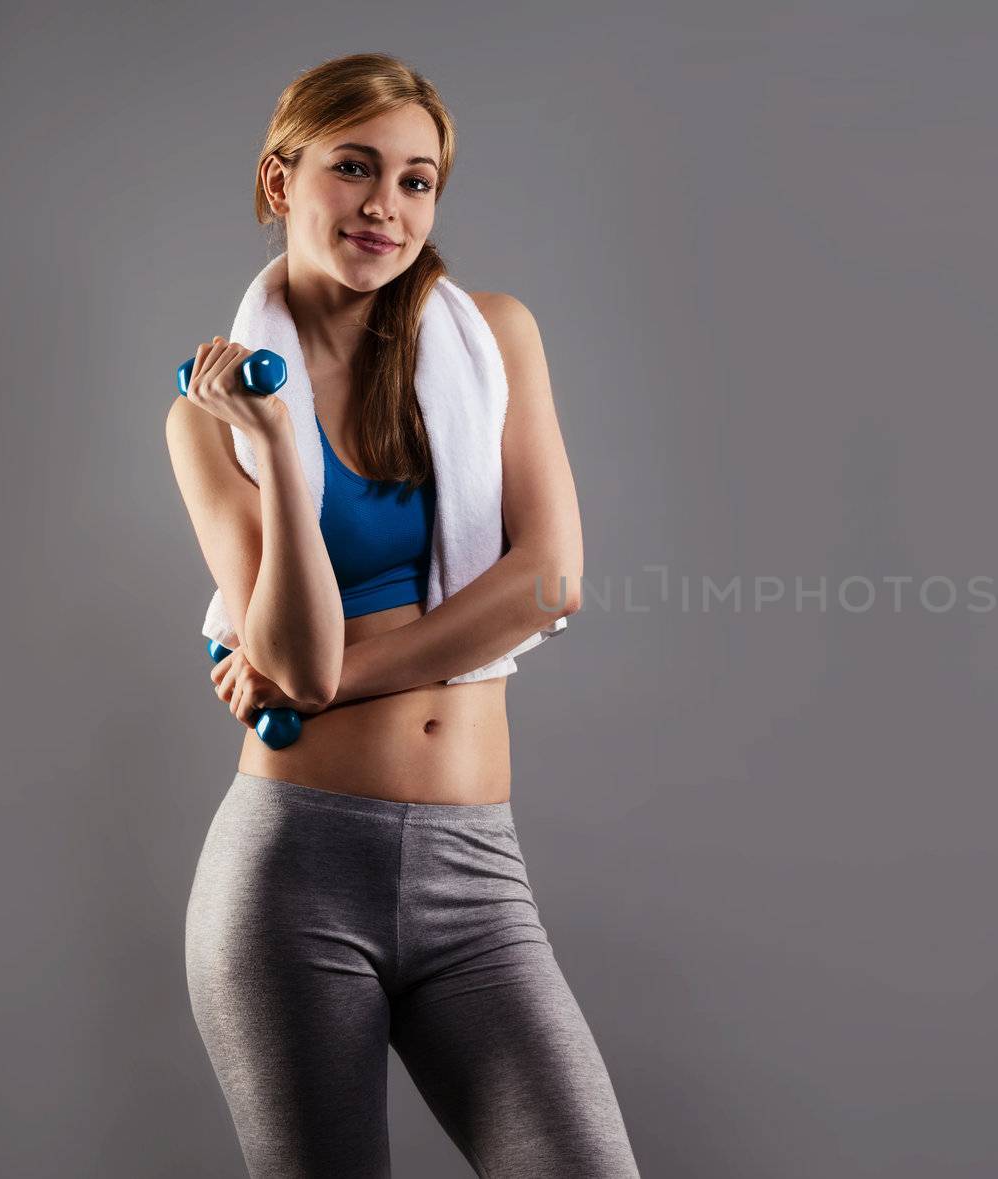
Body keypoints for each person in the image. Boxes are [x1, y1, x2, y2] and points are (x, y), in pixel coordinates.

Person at [164, 52, 640, 1178]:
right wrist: (281, 450)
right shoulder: (206, 421)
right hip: (291, 876)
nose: (386, 205)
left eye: (418, 181)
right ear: (283, 182)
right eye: (354, 168)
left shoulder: (494, 337)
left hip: (479, 873)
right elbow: (292, 655)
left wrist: (339, 667)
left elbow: (546, 581)